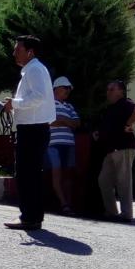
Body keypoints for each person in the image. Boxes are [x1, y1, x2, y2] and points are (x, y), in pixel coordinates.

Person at [2, 35, 56, 231]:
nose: (14, 52)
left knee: (27, 174)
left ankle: (30, 217)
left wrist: (14, 103)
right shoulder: (34, 70)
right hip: (34, 128)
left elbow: (39, 97)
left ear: (30, 52)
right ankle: (31, 216)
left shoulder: (34, 70)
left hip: (33, 129)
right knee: (29, 174)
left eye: (18, 49)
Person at [95, 80, 135, 222]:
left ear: (121, 91)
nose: (108, 92)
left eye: (111, 89)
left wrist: (129, 124)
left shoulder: (125, 103)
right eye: (108, 89)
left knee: (123, 181)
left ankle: (126, 215)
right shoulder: (112, 108)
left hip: (124, 147)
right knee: (103, 180)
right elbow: (109, 126)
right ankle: (112, 212)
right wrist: (99, 133)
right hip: (111, 149)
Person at [47, 76, 80, 214]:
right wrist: (67, 121)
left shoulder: (69, 106)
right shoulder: (49, 104)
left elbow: (77, 123)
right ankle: (63, 203)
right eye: (65, 88)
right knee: (57, 174)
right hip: (53, 145)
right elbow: (50, 121)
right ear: (56, 88)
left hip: (69, 145)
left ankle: (68, 204)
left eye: (69, 88)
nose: (68, 90)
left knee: (67, 175)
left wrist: (62, 119)